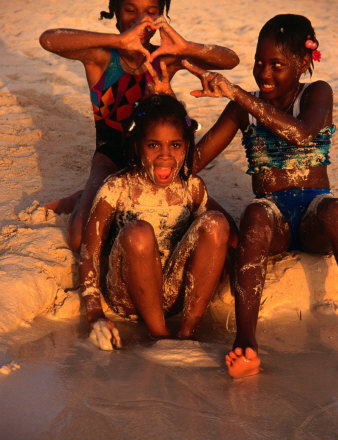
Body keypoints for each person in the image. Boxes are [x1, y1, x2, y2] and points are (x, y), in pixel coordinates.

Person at [184, 14, 337, 377]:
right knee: (254, 214)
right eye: (258, 62)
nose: (264, 73)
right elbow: (196, 161)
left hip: (314, 211)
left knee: (335, 211)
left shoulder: (317, 93)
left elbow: (299, 135)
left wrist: (235, 92)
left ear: (303, 63)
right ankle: (247, 342)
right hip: (275, 219)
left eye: (277, 65)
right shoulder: (243, 107)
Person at [39, 0, 239, 253]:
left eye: (151, 13)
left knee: (232, 236)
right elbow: (48, 40)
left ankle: (84, 195)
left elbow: (230, 60)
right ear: (116, 12)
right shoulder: (100, 57)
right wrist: (118, 41)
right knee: (79, 239)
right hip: (110, 159)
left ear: (161, 17)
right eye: (130, 10)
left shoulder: (165, 59)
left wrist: (186, 46)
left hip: (158, 160)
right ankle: (84, 195)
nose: (141, 20)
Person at [79, 94, 237, 350]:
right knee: (139, 232)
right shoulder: (117, 187)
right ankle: (160, 336)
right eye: (154, 146)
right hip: (128, 298)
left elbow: (212, 239)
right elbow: (90, 251)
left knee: (216, 223)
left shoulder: (192, 187)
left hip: (173, 296)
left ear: (187, 145)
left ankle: (188, 334)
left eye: (175, 145)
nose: (165, 156)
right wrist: (94, 313)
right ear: (137, 144)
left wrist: (226, 259)